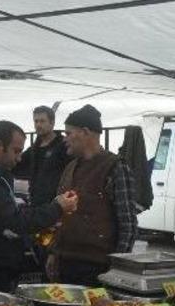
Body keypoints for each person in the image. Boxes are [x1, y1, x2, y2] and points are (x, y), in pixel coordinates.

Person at [0, 121, 78, 292]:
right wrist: (57, 207)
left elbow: (8, 214)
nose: (19, 158)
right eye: (16, 151)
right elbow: (15, 221)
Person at [47, 104, 139, 286]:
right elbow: (59, 217)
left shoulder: (115, 167)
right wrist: (53, 252)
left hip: (98, 267)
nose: (65, 139)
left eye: (69, 133)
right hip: (65, 262)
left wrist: (117, 267)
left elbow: (128, 224)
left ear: (85, 132)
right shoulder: (70, 168)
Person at [13, 106, 69, 206]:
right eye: (36, 121)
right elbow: (17, 163)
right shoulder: (35, 147)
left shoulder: (63, 146)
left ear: (52, 123)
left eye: (42, 121)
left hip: (56, 204)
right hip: (36, 202)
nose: (38, 125)